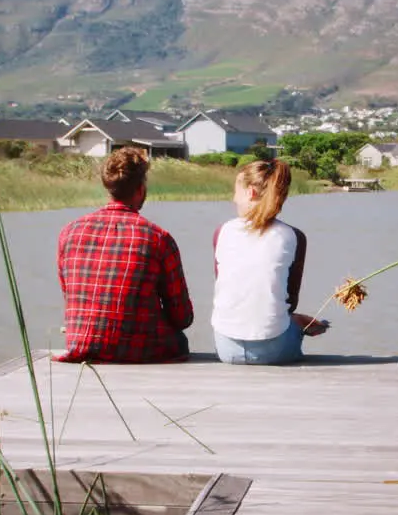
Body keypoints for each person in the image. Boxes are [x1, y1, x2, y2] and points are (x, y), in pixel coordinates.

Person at [56, 147, 193, 363]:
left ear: (108, 187)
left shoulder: (69, 232)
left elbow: (69, 294)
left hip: (82, 346)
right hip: (139, 350)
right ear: (140, 188)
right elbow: (182, 316)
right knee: (180, 340)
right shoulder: (158, 238)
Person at [212, 158, 328, 364]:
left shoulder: (222, 232)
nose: (233, 199)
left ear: (251, 192)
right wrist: (293, 318)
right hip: (273, 351)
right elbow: (290, 302)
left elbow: (228, 291)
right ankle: (300, 324)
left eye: (235, 192)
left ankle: (295, 323)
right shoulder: (293, 236)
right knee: (291, 321)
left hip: (225, 348)